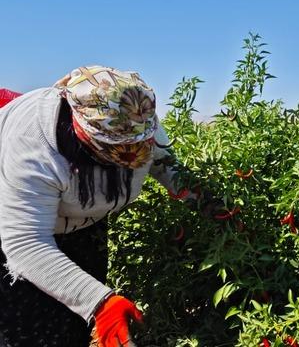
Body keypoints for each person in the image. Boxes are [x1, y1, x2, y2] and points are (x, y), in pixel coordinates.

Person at [0, 66, 212, 347]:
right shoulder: (34, 144)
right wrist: (99, 302)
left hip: (83, 223)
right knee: (26, 328)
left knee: (74, 325)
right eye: (119, 153)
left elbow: (167, 166)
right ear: (83, 135)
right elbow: (26, 243)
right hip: (18, 230)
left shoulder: (135, 116)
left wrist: (211, 205)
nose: (132, 157)